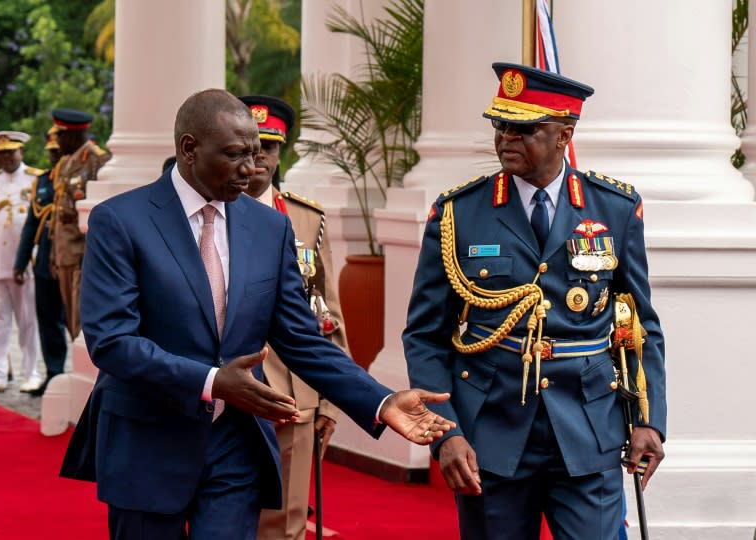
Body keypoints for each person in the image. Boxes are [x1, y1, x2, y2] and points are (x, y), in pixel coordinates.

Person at [60, 88, 455, 540]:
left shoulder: (270, 226)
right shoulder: (120, 221)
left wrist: (381, 402)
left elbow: (301, 340)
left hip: (236, 445)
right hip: (147, 442)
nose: (251, 169)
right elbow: (112, 341)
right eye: (234, 155)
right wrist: (211, 382)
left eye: (255, 153)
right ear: (189, 149)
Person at [402, 63, 667, 539]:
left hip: (589, 429)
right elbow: (425, 336)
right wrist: (446, 431)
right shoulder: (457, 213)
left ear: (565, 133)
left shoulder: (614, 209)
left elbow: (640, 326)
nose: (506, 138)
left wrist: (649, 420)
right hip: (491, 433)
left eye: (524, 128)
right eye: (500, 125)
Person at [239, 95, 342, 540]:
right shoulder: (202, 214)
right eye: (249, 144)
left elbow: (327, 312)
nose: (259, 157)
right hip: (224, 384)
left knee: (286, 524)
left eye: (269, 146)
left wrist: (331, 399)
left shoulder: (306, 218)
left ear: (282, 152)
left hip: (294, 389)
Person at [13, 127, 68, 397]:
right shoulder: (43, 182)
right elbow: (31, 224)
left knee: (78, 322)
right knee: (47, 321)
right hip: (45, 261)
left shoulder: (78, 180)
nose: (54, 157)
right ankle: (55, 373)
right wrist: (21, 262)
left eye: (57, 152)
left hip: (73, 265)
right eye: (51, 152)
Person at [48, 108, 110, 340]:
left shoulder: (97, 161)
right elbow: (58, 211)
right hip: (65, 252)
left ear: (72, 136)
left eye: (60, 136)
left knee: (81, 319)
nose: (57, 142)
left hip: (82, 253)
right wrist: (54, 255)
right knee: (70, 319)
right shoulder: (65, 163)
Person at [0, 131, 43, 393]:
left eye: (10, 152)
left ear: (21, 151)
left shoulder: (35, 179)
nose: (5, 158)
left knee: (27, 322)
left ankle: (31, 373)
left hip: (25, 264)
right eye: (1, 153)